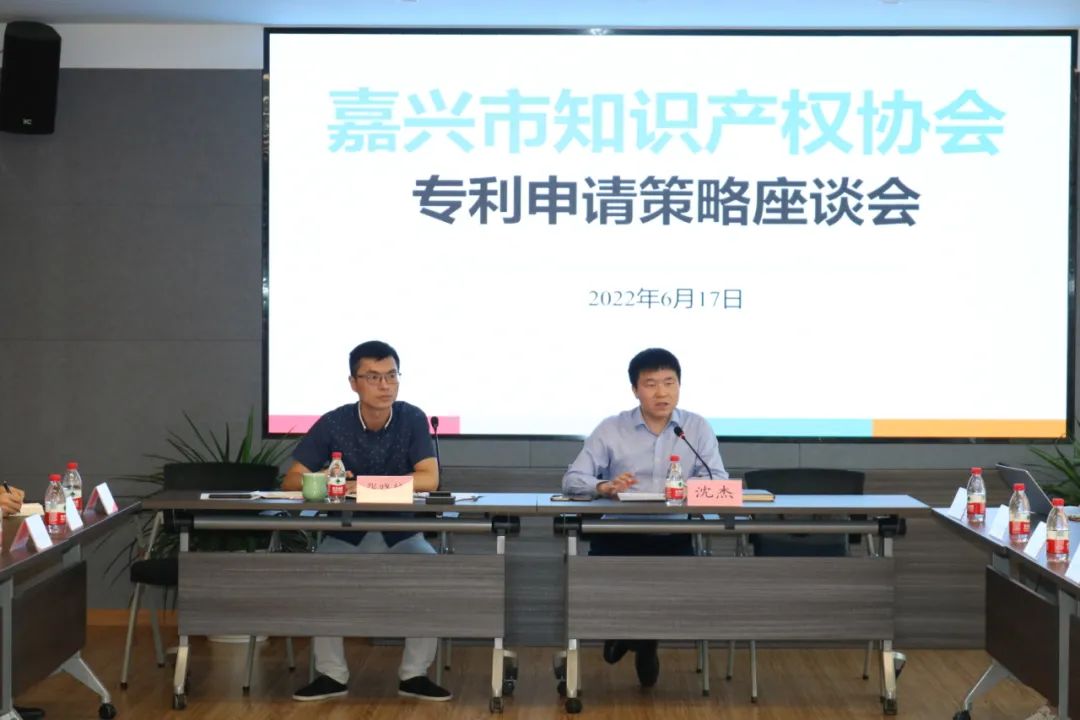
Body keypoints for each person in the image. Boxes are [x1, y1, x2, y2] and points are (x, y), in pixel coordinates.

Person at [283, 340, 451, 703]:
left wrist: (359, 485)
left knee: (431, 573)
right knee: (319, 575)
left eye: (391, 375)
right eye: (373, 377)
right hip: (346, 532)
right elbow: (291, 480)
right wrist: (324, 479)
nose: (385, 385)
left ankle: (414, 674)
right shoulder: (334, 422)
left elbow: (429, 479)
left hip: (402, 532)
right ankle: (332, 674)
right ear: (353, 383)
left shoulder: (412, 418)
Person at [563, 347, 727, 688]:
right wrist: (604, 486)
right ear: (635, 390)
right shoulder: (611, 428)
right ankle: (637, 636)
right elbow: (573, 479)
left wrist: (687, 489)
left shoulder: (695, 428)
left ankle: (642, 639)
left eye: (669, 382)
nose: (661, 392)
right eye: (651, 384)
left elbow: (718, 482)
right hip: (617, 535)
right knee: (609, 597)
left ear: (680, 385)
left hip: (673, 536)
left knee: (668, 600)